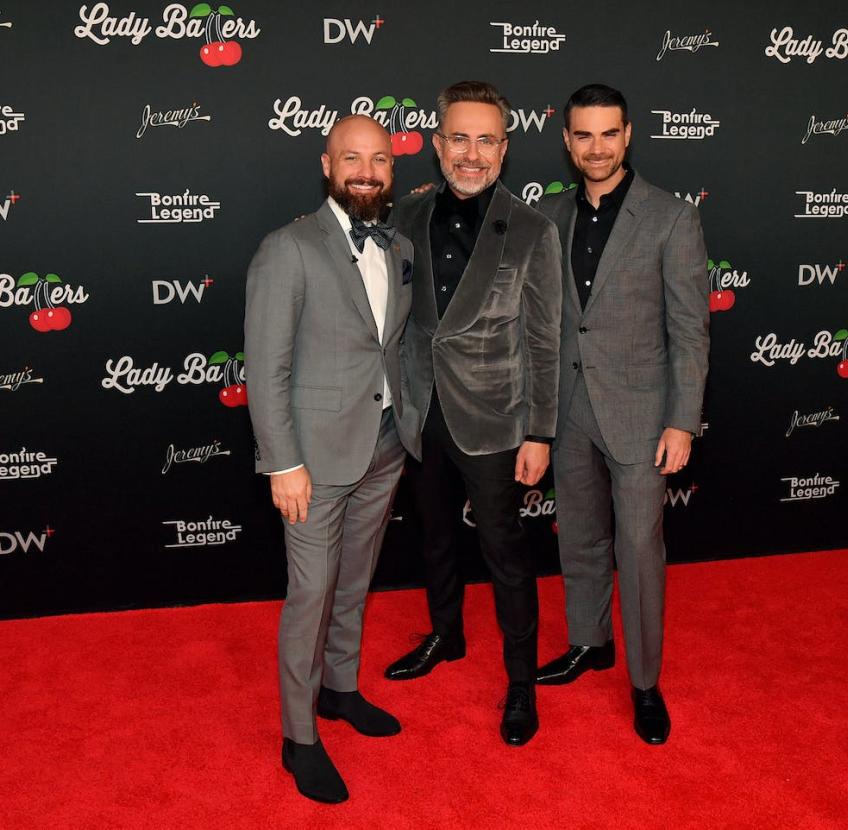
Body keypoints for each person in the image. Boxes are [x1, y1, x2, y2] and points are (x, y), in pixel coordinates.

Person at [384, 81, 563, 747]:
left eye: (486, 140)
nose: (471, 152)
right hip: (420, 410)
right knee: (433, 537)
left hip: (493, 419)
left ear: (504, 149)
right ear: (436, 144)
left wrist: (540, 431)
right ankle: (446, 635)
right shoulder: (404, 216)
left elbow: (545, 340)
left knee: (505, 554)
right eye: (459, 137)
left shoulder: (533, 230)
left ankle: (520, 683)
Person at [243, 115, 415, 803]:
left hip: (382, 444)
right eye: (352, 158)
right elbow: (265, 368)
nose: (366, 170)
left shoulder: (398, 245)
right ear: (327, 164)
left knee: (354, 580)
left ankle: (339, 690)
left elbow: (391, 347)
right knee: (310, 595)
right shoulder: (288, 248)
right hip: (311, 460)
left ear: (392, 170)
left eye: (379, 158)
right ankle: (298, 736)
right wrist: (283, 463)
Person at [534, 84, 710, 745]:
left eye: (609, 134)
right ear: (567, 140)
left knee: (638, 551)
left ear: (628, 135)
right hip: (570, 409)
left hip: (641, 413)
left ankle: (643, 682)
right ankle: (590, 643)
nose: (597, 148)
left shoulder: (670, 218)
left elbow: (690, 330)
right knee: (579, 539)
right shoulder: (551, 216)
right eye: (584, 136)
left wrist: (681, 420)